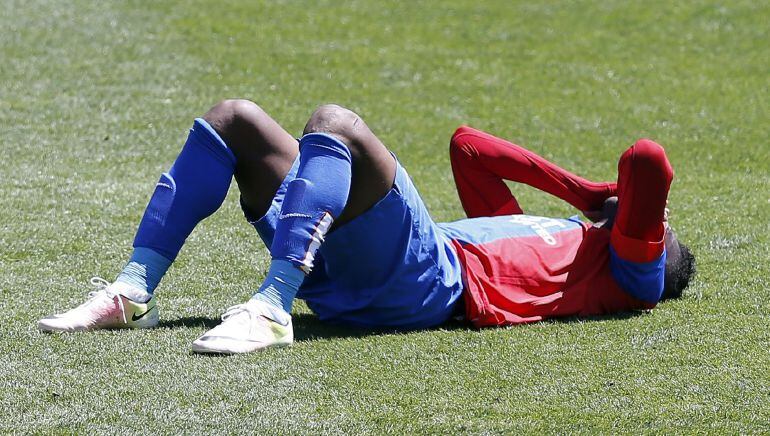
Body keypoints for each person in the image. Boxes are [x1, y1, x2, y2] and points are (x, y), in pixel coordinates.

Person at [38, 100, 696, 353]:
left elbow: (645, 161)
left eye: (650, 230)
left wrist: (596, 201)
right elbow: (469, 147)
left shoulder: (628, 278)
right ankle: (131, 291)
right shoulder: (548, 241)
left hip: (428, 279)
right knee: (234, 119)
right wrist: (577, 199)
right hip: (373, 265)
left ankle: (271, 306)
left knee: (339, 126)